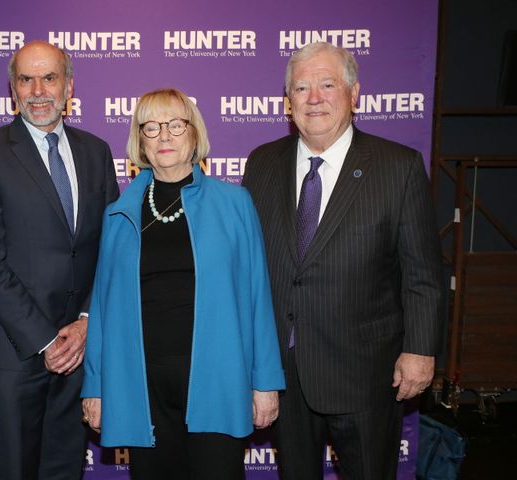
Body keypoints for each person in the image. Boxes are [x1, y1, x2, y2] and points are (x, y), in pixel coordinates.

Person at [242, 42, 444, 479]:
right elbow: (251, 268)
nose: (314, 98)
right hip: (284, 371)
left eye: (327, 84)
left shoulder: (398, 167)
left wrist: (420, 350)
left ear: (354, 95)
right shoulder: (261, 163)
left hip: (366, 371)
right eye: (301, 88)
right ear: (287, 102)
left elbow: (423, 273)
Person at [81, 88, 285, 480]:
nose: (165, 136)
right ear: (140, 140)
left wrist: (265, 383)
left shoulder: (235, 203)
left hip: (219, 378)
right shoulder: (118, 215)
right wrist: (96, 387)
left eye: (176, 124)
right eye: (152, 127)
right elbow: (103, 309)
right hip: (142, 384)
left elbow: (259, 298)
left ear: (194, 133)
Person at [0, 40, 119, 480]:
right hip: (19, 350)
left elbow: (111, 248)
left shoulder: (96, 151)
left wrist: (88, 321)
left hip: (80, 345)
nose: (38, 90)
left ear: (69, 85)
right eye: (25, 79)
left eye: (49, 77)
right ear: (12, 90)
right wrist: (46, 341)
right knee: (18, 470)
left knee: (66, 466)